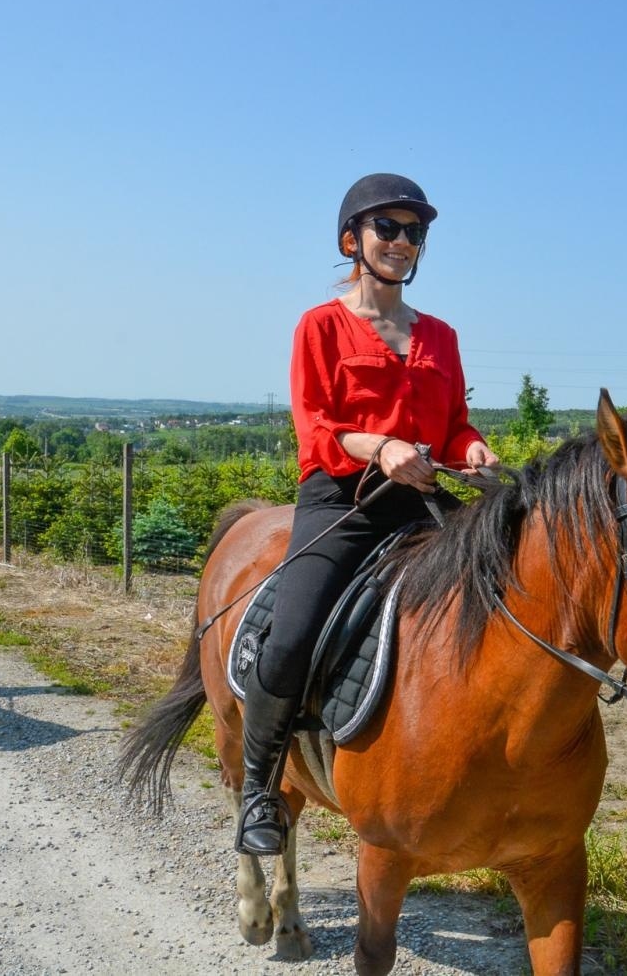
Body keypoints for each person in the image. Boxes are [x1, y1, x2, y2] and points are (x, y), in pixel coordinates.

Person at [235, 173, 498, 855]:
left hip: (423, 501)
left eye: (415, 232)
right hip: (343, 502)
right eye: (389, 228)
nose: (403, 242)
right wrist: (380, 448)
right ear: (353, 239)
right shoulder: (320, 325)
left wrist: (474, 454)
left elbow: (456, 427)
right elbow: (317, 425)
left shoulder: (440, 335)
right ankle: (260, 792)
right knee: (291, 637)